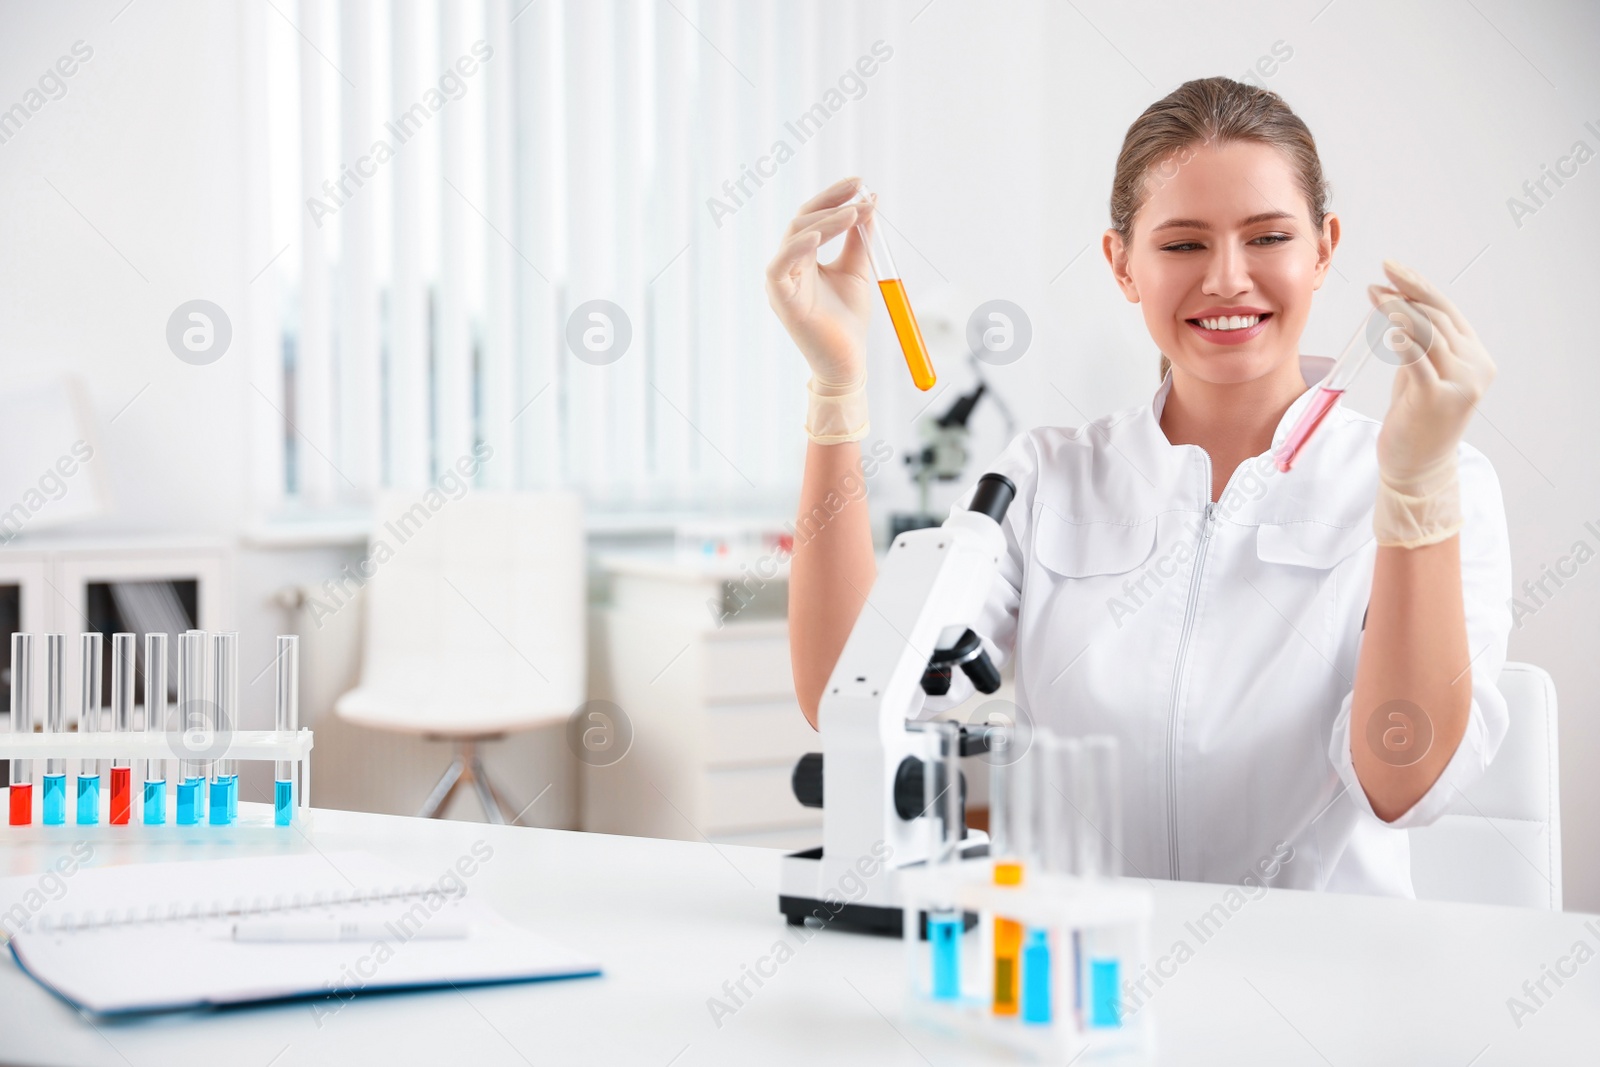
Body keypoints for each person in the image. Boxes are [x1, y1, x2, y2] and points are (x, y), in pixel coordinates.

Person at [763, 76, 1508, 897]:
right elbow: (848, 695)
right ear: (1122, 264)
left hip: (1316, 979)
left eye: (1268, 237)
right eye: (1183, 244)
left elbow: (1400, 783)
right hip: (1070, 976)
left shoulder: (1440, 486)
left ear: (1324, 248)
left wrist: (1415, 498)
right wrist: (836, 392)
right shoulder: (1044, 477)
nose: (1227, 278)